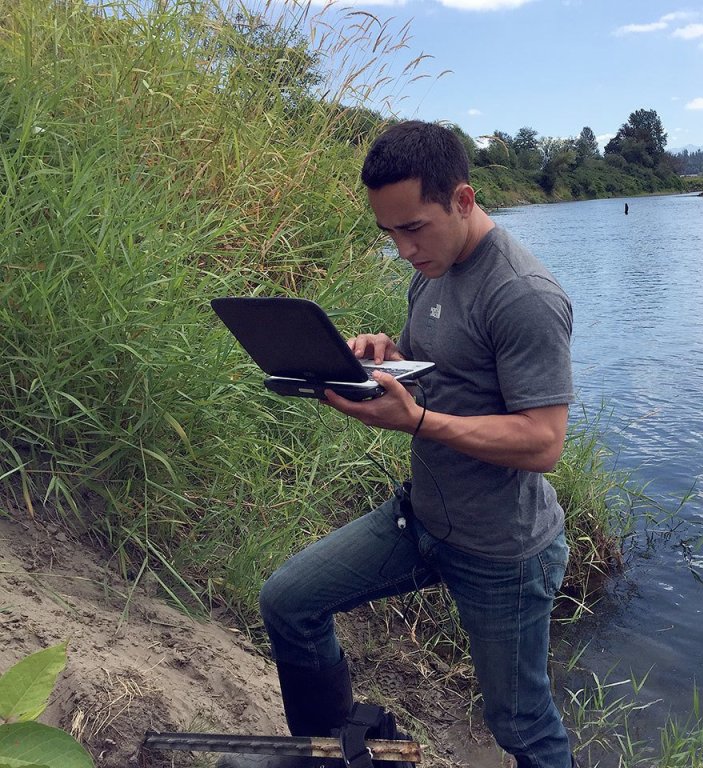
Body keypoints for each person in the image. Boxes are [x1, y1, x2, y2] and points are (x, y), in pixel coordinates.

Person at [220, 120, 575, 768]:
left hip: (504, 553)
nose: (404, 249)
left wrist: (416, 422)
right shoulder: (430, 271)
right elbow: (439, 365)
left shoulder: (523, 294)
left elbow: (543, 440)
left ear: (462, 200)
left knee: (520, 726)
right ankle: (329, 753)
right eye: (389, 233)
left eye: (414, 228)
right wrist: (384, 357)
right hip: (421, 521)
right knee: (289, 603)